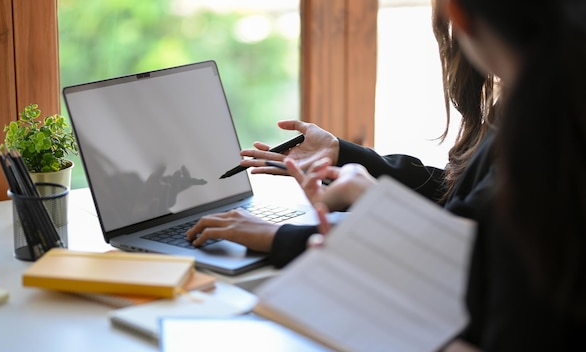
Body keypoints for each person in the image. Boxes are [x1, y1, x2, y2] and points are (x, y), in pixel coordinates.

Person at [278, 0, 586, 350]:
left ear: (459, 15)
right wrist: (352, 160)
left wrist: (374, 311)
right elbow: (467, 199)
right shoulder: (551, 119)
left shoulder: (538, 158)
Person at [186, 4, 494, 268]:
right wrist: (343, 154)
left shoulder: (529, 134)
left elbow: (461, 257)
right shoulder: (518, 111)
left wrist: (278, 237)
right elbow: (458, 198)